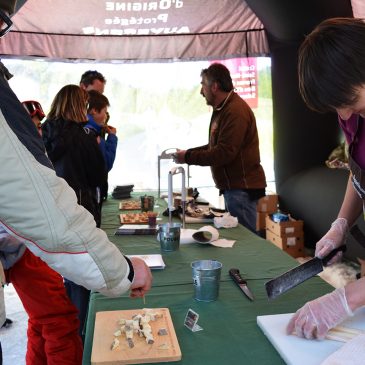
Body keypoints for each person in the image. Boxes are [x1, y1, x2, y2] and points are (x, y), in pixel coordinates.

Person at [0, 2, 152, 363]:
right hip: (30, 239)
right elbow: (46, 206)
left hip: (21, 242)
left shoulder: (59, 131)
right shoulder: (76, 136)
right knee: (60, 318)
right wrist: (124, 271)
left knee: (46, 318)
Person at [286, 17, 365, 340]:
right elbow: (359, 173)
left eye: (349, 104)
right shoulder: (352, 115)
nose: (344, 116)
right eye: (336, 108)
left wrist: (345, 300)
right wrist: (341, 225)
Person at [41, 85, 109, 336]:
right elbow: (98, 175)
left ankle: (67, 332)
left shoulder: (41, 133)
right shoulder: (82, 137)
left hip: (50, 212)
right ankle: (81, 334)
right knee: (82, 273)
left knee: (62, 273)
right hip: (79, 208)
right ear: (78, 106)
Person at [174, 63, 266, 233]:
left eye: (203, 85)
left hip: (242, 191)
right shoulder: (223, 109)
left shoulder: (235, 111)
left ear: (214, 86)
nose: (201, 92)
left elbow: (224, 153)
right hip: (236, 190)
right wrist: (187, 154)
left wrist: (187, 157)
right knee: (241, 241)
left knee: (246, 243)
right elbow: (214, 146)